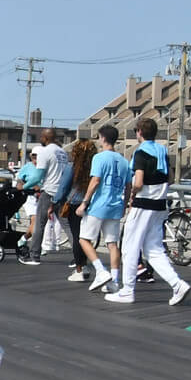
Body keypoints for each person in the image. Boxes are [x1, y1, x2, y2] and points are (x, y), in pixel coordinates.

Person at [104, 118, 191, 307]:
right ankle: (177, 284)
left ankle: (127, 290)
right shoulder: (163, 151)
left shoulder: (140, 152)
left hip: (143, 205)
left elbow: (139, 182)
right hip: (160, 205)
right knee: (154, 250)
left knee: (129, 247)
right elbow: (168, 178)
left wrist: (132, 194)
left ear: (140, 132)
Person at [75, 124, 132, 293]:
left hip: (99, 205)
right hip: (115, 206)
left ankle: (100, 271)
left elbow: (95, 181)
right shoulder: (124, 161)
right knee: (112, 244)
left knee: (84, 239)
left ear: (103, 138)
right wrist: (125, 204)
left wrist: (84, 202)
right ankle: (114, 281)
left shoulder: (99, 158)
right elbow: (128, 186)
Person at [18, 129, 70, 265]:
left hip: (49, 191)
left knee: (40, 224)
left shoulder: (44, 152)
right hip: (62, 192)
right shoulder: (62, 153)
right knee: (67, 225)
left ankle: (34, 256)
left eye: (41, 136)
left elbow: (38, 176)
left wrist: (23, 186)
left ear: (45, 138)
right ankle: (79, 257)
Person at [62, 137, 95, 281]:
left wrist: (54, 202)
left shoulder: (72, 167)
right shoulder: (95, 166)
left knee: (77, 236)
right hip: (92, 204)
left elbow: (63, 187)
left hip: (75, 204)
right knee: (86, 237)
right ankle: (86, 264)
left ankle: (79, 268)